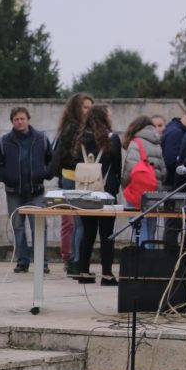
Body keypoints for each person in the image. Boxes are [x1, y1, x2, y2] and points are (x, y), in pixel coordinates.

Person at [0, 107, 53, 273]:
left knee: (39, 228)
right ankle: (22, 261)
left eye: (22, 118)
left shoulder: (42, 139)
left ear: (28, 119)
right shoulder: (4, 142)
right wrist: (8, 177)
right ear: (12, 122)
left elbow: (52, 160)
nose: (20, 122)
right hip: (13, 192)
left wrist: (45, 174)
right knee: (18, 227)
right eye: (16, 119)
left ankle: (42, 263)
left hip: (36, 192)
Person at [71, 104, 123, 285]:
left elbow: (75, 162)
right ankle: (107, 274)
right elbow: (117, 168)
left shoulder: (80, 139)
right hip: (106, 191)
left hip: (85, 191)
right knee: (107, 234)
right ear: (104, 118)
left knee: (88, 233)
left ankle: (84, 272)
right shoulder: (112, 139)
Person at [48, 93, 94, 274]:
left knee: (79, 222)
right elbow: (61, 157)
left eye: (91, 107)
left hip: (79, 178)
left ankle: (76, 261)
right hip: (74, 178)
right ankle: (75, 262)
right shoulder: (73, 129)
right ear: (76, 108)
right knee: (78, 223)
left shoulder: (79, 128)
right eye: (85, 107)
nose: (88, 111)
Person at [120, 115, 166, 245]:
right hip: (154, 192)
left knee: (139, 226)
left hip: (137, 192)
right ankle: (149, 260)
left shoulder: (136, 142)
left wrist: (124, 184)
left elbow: (130, 168)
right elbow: (163, 171)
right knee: (151, 227)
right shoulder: (157, 142)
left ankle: (142, 260)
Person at [160, 108, 186, 247]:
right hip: (178, 186)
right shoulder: (176, 132)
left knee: (175, 225)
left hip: (179, 187)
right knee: (173, 226)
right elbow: (171, 161)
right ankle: (171, 260)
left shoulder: (181, 131)